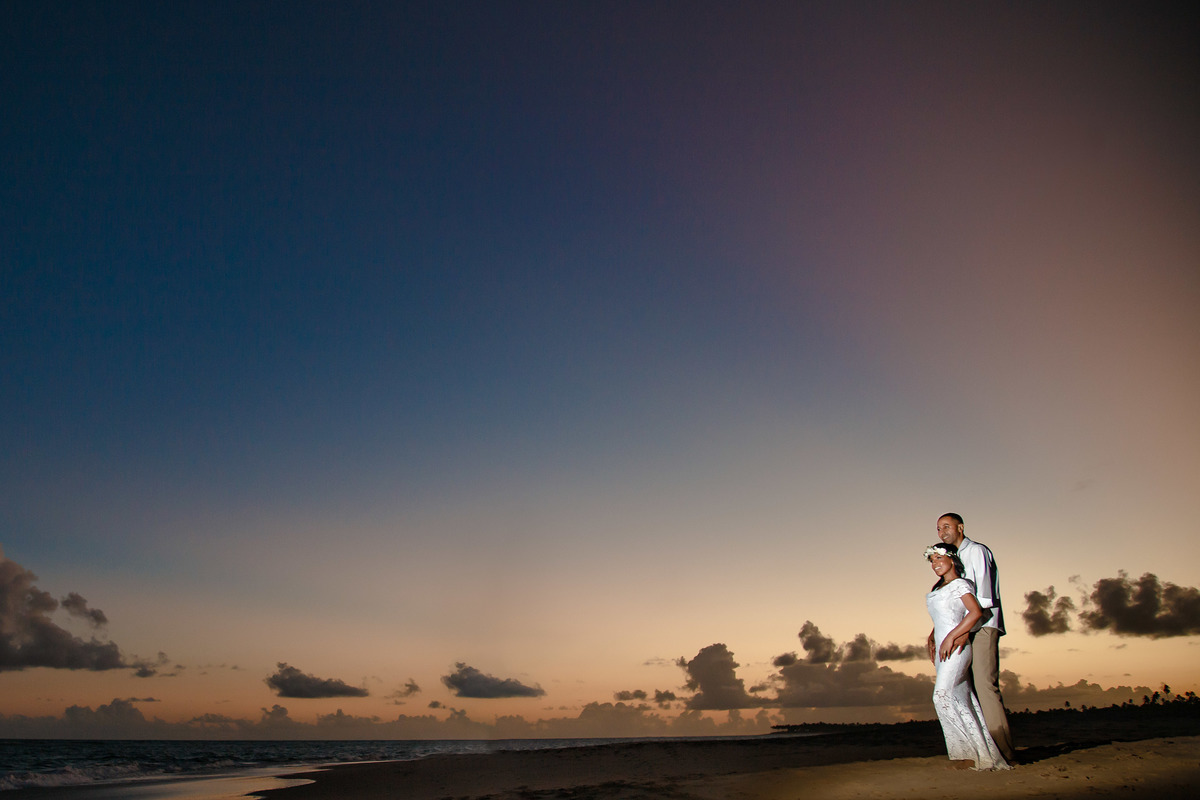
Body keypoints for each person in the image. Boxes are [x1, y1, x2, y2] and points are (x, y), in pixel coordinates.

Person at [926, 512, 1016, 762]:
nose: (941, 531)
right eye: (938, 528)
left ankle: (1005, 752)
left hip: (984, 625)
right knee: (968, 689)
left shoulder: (976, 551)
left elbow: (984, 599)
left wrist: (962, 631)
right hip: (964, 627)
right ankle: (979, 749)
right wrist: (936, 633)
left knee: (986, 686)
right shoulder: (951, 559)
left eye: (946, 526)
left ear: (961, 527)